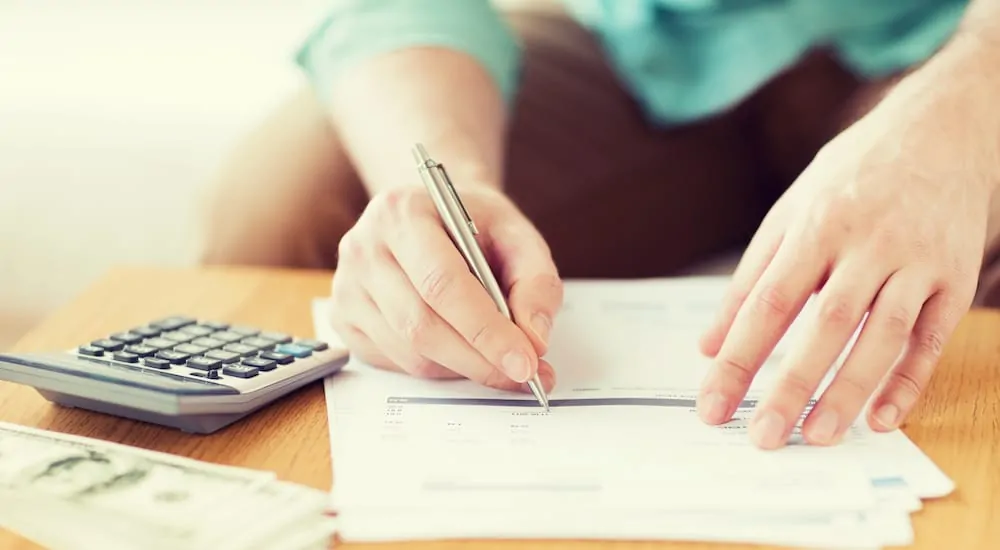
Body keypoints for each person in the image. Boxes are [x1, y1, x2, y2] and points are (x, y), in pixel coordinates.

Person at [200, 0, 1000, 450]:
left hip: (962, 43)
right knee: (301, 198)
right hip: (655, 41)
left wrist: (965, 107)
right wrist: (441, 188)